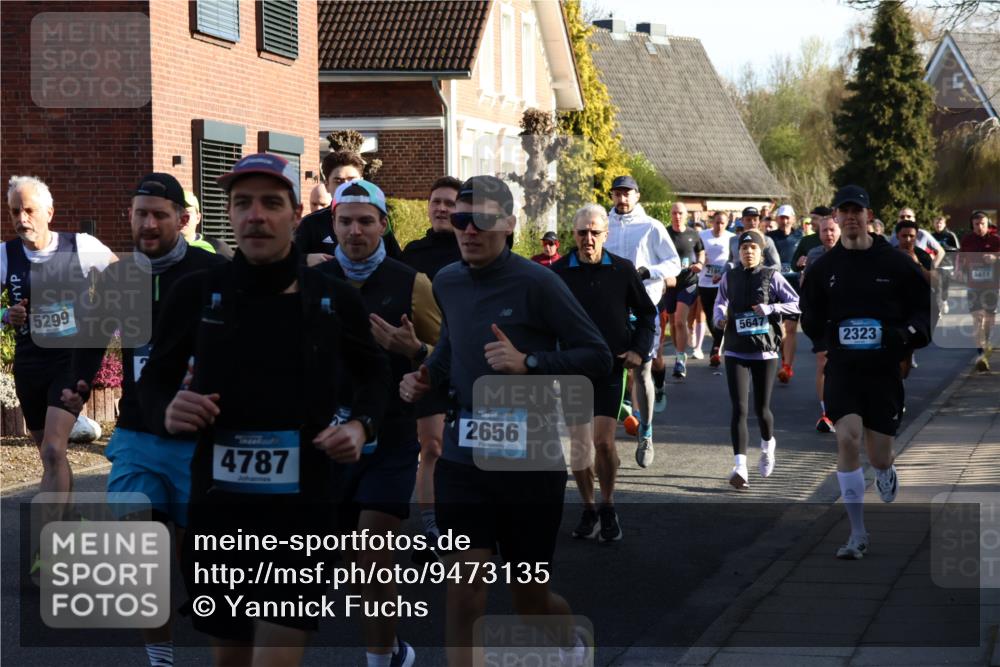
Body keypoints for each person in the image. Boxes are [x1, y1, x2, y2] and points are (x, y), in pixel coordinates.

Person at [137, 153, 391, 664]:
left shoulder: (332, 298)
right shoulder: (196, 293)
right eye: (243, 203)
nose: (256, 215)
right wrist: (167, 409)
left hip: (303, 508)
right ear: (228, 215)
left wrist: (363, 426)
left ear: (295, 215)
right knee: (230, 657)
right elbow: (154, 382)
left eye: (271, 203)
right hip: (219, 504)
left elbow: (376, 375)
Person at [399, 175, 610, 667]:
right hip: (463, 457)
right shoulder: (447, 281)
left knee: (529, 602)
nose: (470, 230)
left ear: (510, 224)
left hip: (530, 462)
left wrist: (529, 364)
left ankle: (572, 645)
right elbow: (453, 345)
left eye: (484, 220)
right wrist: (426, 374)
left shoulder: (539, 283)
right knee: (464, 594)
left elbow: (597, 356)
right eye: (461, 220)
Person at [61, 173, 227, 667]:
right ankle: (160, 658)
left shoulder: (211, 271)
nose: (148, 224)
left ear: (181, 218)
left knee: (194, 558)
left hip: (200, 436)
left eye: (158, 214)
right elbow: (91, 334)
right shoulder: (121, 275)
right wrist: (79, 382)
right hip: (136, 430)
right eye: (140, 214)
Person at [319, 179, 441, 667]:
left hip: (391, 434)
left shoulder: (412, 284)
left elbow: (447, 357)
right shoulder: (316, 282)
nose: (355, 230)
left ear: (383, 225)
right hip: (331, 437)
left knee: (374, 545)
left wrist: (413, 352)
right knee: (355, 563)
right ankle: (393, 646)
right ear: (333, 225)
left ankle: (378, 659)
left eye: (365, 221)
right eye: (345, 221)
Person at [801, 185, 931, 560]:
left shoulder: (895, 263)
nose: (851, 217)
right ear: (836, 218)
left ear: (869, 217)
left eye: (858, 211)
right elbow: (810, 314)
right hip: (843, 368)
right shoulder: (825, 267)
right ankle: (857, 533)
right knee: (847, 438)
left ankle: (886, 470)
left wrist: (905, 335)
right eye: (845, 211)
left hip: (883, 370)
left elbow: (923, 310)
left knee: (878, 456)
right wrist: (825, 338)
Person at [2, 175, 115, 548]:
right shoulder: (6, 256)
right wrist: (6, 315)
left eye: (30, 210)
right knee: (50, 455)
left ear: (49, 212)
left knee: (53, 448)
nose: (22, 218)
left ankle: (47, 548)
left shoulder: (81, 246)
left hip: (72, 360)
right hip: (30, 364)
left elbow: (126, 281)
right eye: (15, 211)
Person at [552, 203, 656, 542]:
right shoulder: (557, 273)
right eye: (582, 233)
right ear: (573, 234)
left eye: (595, 233)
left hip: (611, 366)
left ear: (605, 234)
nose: (588, 239)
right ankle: (588, 508)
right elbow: (541, 317)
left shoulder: (622, 270)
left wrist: (639, 351)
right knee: (580, 447)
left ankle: (608, 505)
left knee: (603, 442)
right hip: (572, 370)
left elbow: (646, 314)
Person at [398, 175, 464, 559]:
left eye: (450, 203)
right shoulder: (413, 252)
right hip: (425, 359)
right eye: (436, 201)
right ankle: (430, 530)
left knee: (463, 450)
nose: (441, 208)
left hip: (469, 360)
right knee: (432, 447)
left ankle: (464, 524)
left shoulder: (470, 250)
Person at [602, 175, 681, 467]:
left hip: (642, 308)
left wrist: (648, 272)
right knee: (606, 372)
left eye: (627, 194)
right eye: (616, 194)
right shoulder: (602, 224)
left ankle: (646, 433)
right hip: (609, 310)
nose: (621, 199)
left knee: (643, 370)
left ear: (637, 196)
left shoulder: (651, 226)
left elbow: (674, 263)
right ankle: (604, 441)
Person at [713, 230, 800, 489]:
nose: (748, 252)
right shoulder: (729, 277)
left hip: (765, 351)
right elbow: (720, 302)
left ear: (761, 252)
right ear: (738, 252)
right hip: (736, 349)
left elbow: (796, 304)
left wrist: (771, 308)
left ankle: (767, 446)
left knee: (761, 410)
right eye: (744, 248)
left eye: (753, 248)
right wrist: (719, 317)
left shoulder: (771, 276)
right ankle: (740, 467)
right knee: (739, 408)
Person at [294, 150, 402, 265]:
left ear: (362, 182)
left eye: (352, 180)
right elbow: (282, 262)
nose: (346, 186)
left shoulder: (377, 219)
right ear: (327, 186)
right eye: (338, 181)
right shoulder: (311, 224)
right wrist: (305, 259)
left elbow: (397, 262)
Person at [802, 215, 841, 433]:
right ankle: (826, 412)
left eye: (832, 230)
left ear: (840, 231)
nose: (829, 234)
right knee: (823, 360)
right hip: (820, 317)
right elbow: (805, 285)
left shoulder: (848, 253)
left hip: (844, 317)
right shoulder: (814, 255)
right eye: (825, 230)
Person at [663, 201, 705, 380]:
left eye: (680, 213)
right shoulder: (664, 233)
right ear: (671, 215)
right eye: (674, 213)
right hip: (670, 283)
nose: (677, 216)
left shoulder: (693, 234)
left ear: (686, 215)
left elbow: (701, 251)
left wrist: (700, 263)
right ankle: (680, 352)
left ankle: (680, 359)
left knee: (680, 321)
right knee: (672, 323)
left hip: (688, 282)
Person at [959, 210, 999, 372]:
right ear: (972, 225)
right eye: (977, 224)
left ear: (988, 224)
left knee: (988, 318)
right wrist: (959, 270)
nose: (980, 227)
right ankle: (981, 354)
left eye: (983, 223)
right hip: (973, 285)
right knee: (977, 318)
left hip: (991, 286)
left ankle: (986, 341)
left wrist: (995, 258)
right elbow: (961, 257)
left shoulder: (996, 240)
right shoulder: (967, 240)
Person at [768, 205, 804, 384]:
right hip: (774, 288)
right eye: (781, 217)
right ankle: (783, 357)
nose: (784, 221)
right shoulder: (770, 238)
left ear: (793, 218)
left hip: (794, 288)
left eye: (787, 217)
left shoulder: (800, 237)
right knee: (778, 330)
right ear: (777, 219)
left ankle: (787, 366)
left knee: (790, 329)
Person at [698, 211, 735, 368]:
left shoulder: (730, 238)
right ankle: (719, 339)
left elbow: (733, 259)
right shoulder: (703, 235)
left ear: (726, 224)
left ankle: (715, 349)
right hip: (705, 281)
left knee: (719, 312)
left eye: (722, 223)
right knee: (709, 315)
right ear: (712, 222)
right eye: (717, 222)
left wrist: (724, 273)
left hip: (722, 282)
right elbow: (696, 253)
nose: (719, 225)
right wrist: (700, 259)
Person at [182, 191, 234, 258]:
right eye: (177, 211)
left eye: (188, 212)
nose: (183, 217)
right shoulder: (164, 250)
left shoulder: (217, 247)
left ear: (198, 218)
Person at [792, 206, 832, 271]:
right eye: (811, 218)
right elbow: (793, 265)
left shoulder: (838, 239)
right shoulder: (806, 240)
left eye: (815, 218)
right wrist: (799, 263)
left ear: (826, 219)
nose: (811, 222)